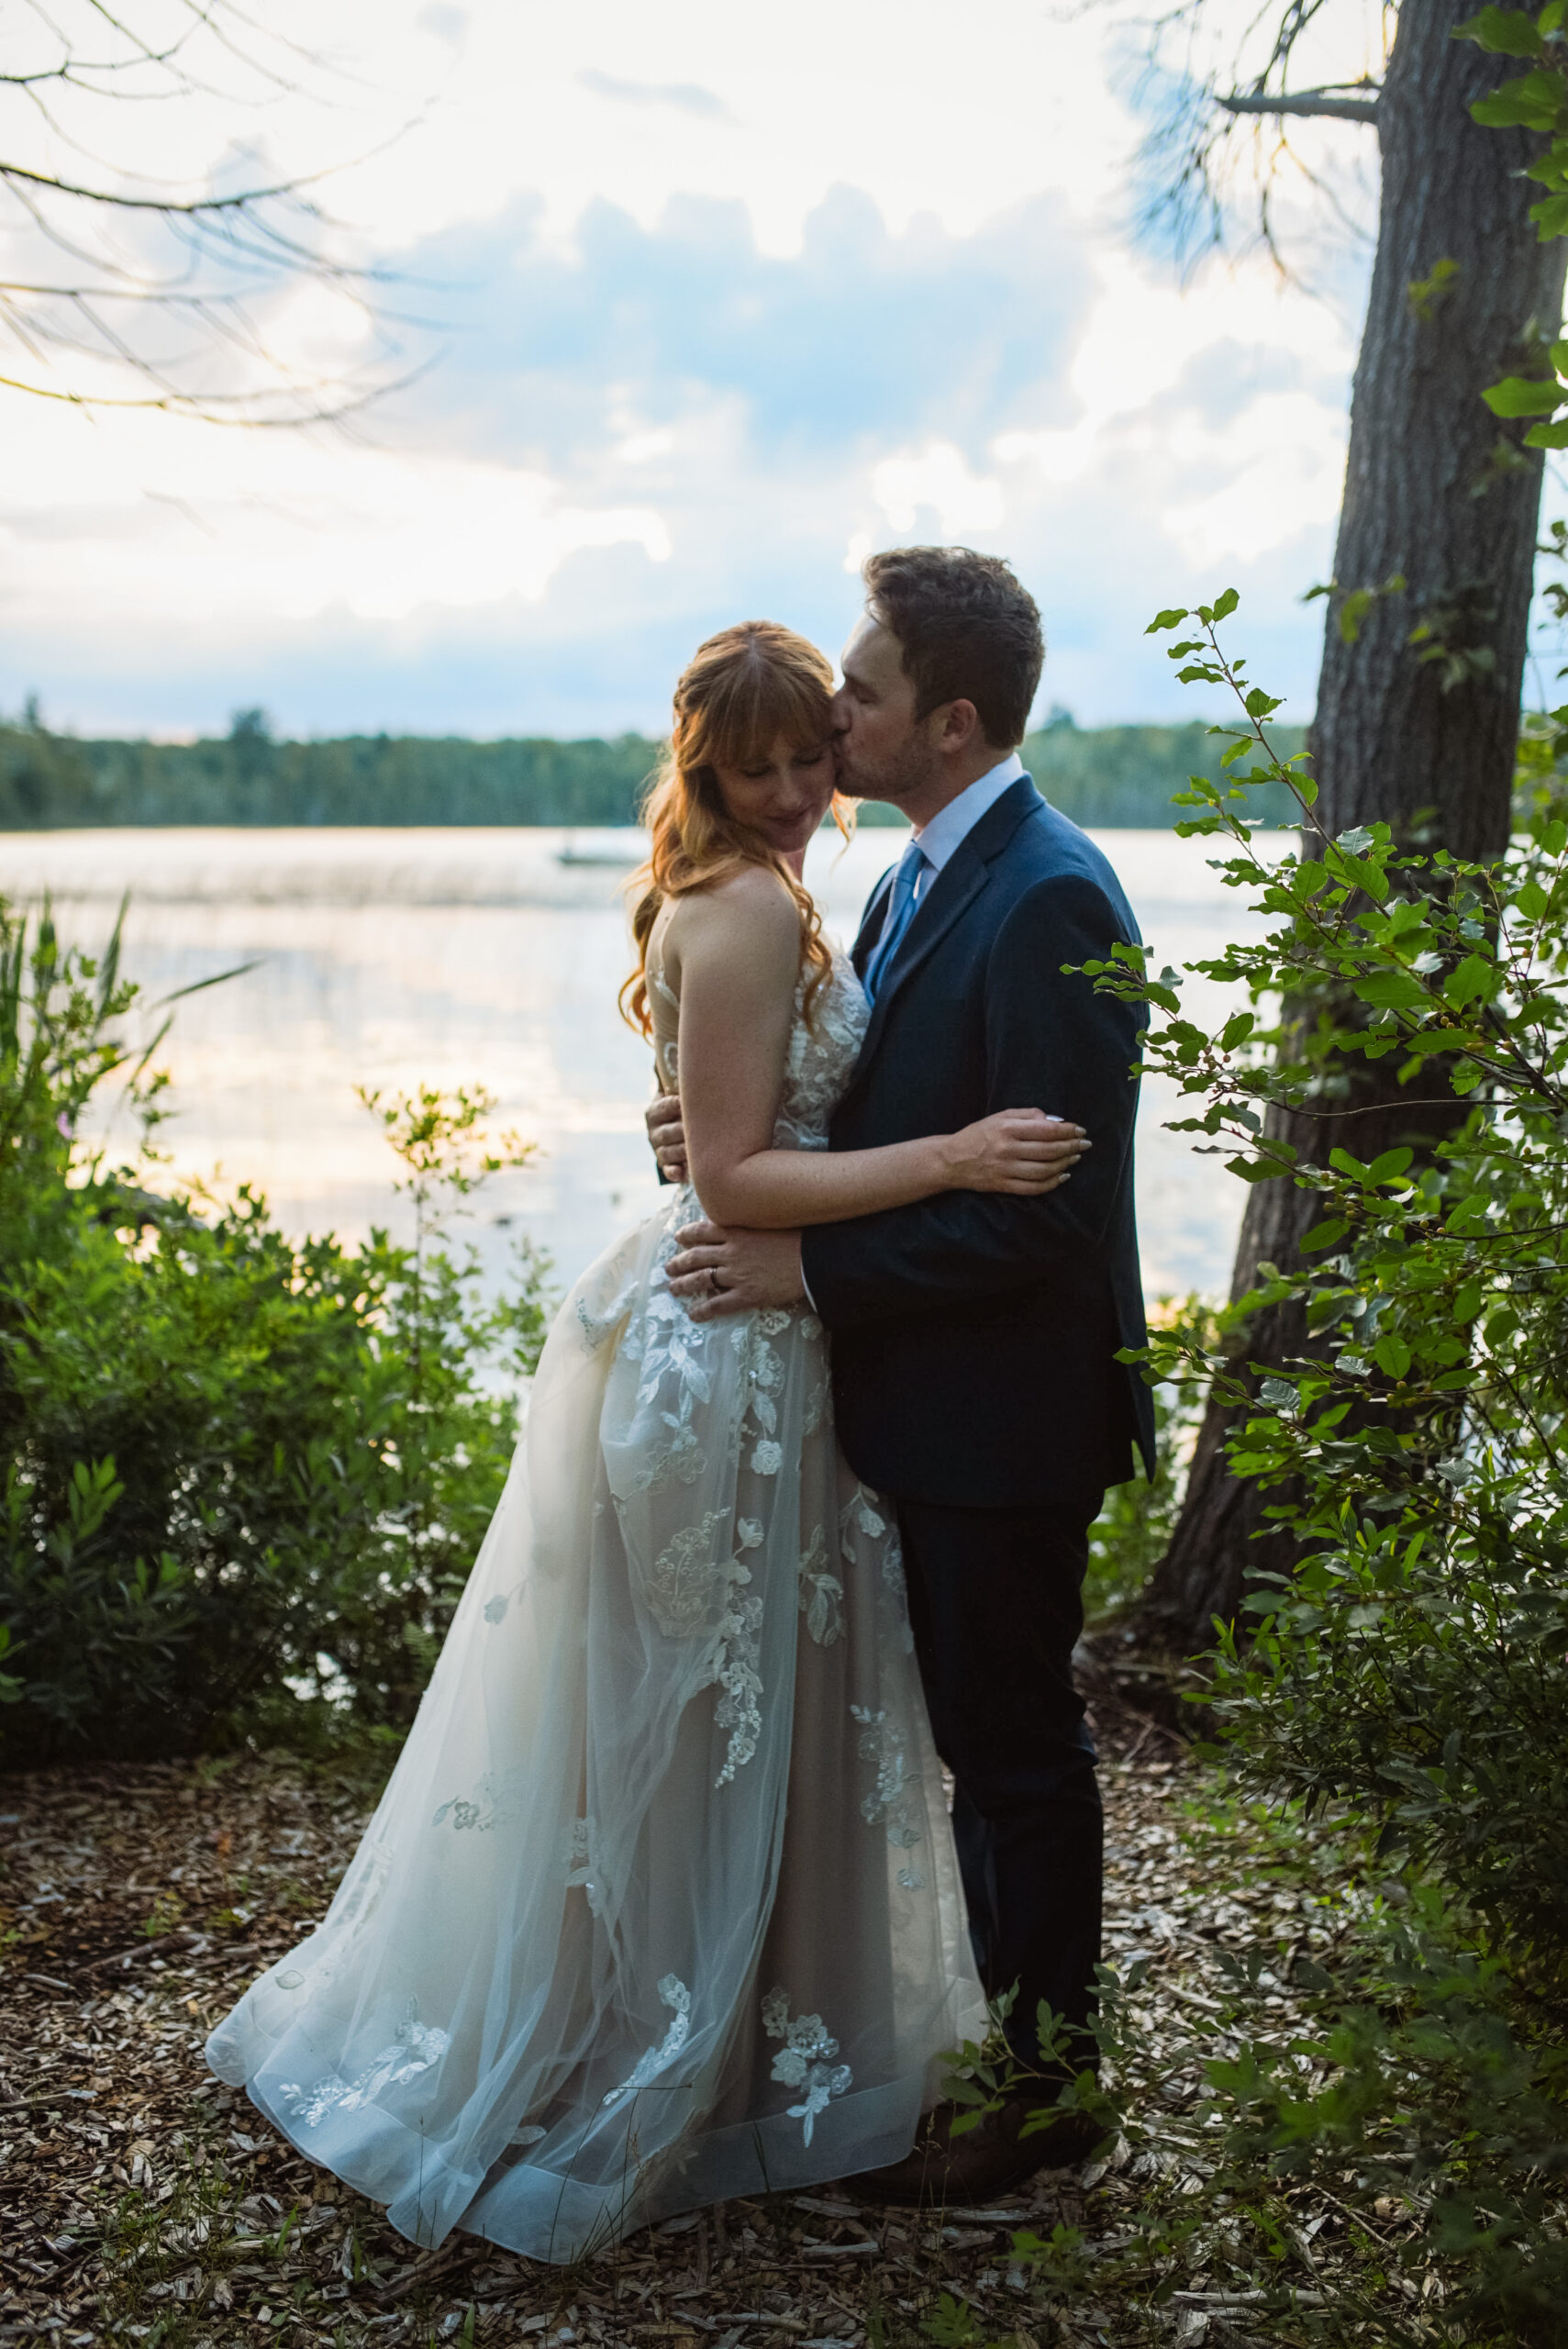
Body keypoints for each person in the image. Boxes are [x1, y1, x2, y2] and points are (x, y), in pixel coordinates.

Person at [206, 617, 1089, 2262]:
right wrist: (953, 1155)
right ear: (701, 769)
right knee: (695, 1713)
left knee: (737, 1708)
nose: (790, 791)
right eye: (754, 769)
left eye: (812, 753)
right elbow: (741, 1181)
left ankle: (755, 2020)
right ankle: (654, 2042)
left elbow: (747, 1125)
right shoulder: (756, 904)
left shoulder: (835, 890)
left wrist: (721, 1120)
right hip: (734, 1339)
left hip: (778, 1338)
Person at [652, 547, 1155, 2204]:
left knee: (1015, 1749)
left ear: (947, 720)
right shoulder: (912, 877)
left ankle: (1048, 2091)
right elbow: (881, 1124)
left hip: (1006, 1413)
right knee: (971, 1743)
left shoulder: (1053, 892)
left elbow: (1048, 1229)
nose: (834, 719)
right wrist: (718, 1134)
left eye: (859, 696)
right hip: (916, 1406)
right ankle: (994, 2048)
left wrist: (803, 1263)